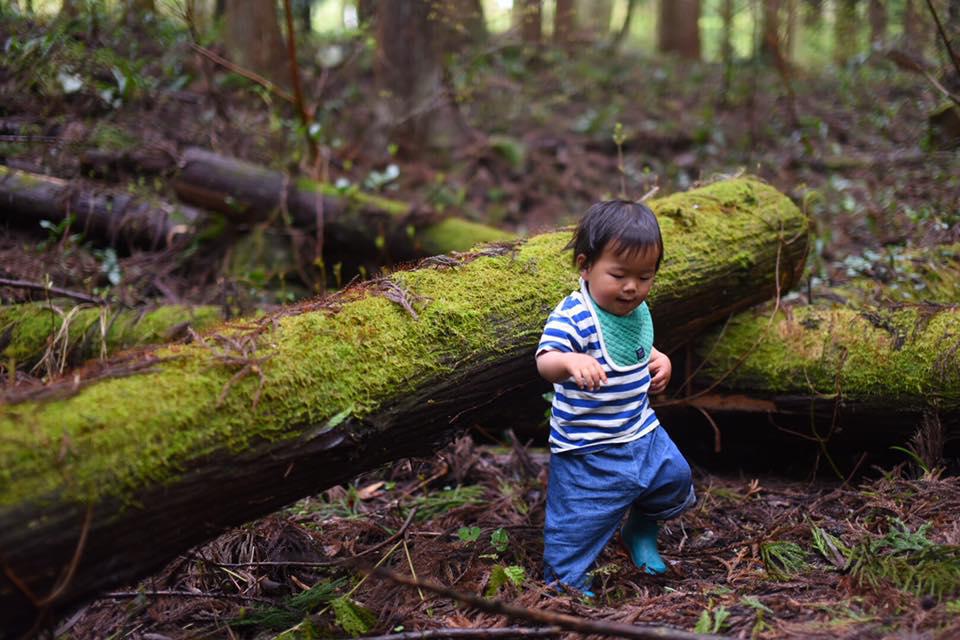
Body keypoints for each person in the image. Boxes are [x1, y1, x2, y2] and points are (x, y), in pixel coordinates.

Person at [535, 199, 695, 595]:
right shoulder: (575, 316)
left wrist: (661, 361)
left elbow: (639, 348)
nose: (632, 288)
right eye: (619, 274)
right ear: (585, 266)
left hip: (640, 431)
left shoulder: (636, 310)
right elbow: (545, 360)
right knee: (576, 524)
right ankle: (565, 584)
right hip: (588, 448)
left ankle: (639, 530)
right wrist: (570, 362)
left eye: (645, 277)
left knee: (675, 478)